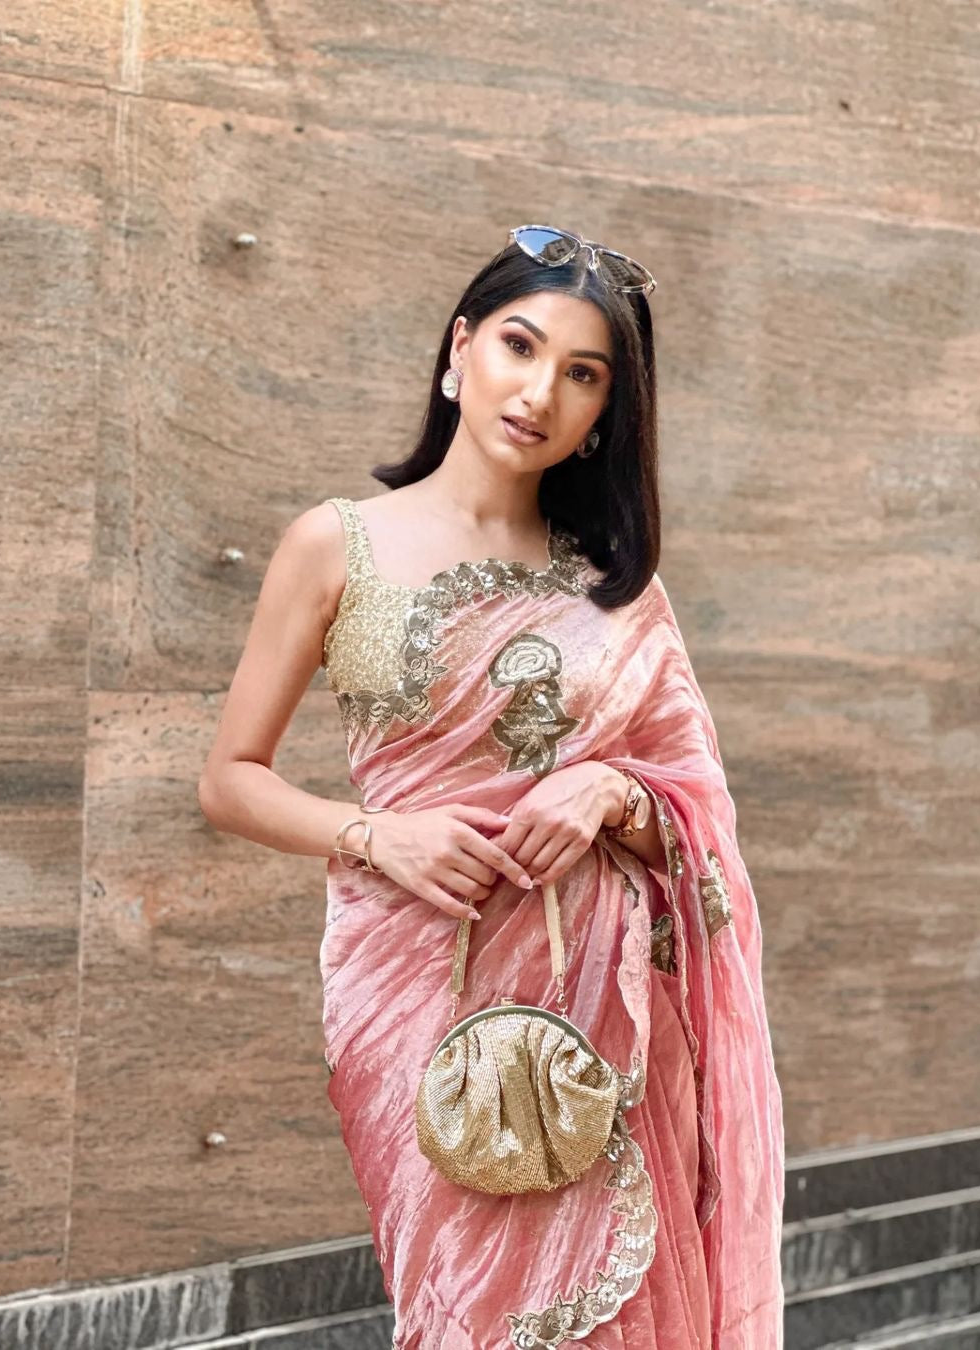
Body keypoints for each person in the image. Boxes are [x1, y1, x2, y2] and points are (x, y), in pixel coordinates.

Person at [198, 225, 785, 1348]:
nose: (539, 392)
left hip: (604, 1006)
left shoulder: (616, 590)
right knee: (465, 1306)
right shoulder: (336, 545)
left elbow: (697, 811)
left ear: (606, 412)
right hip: (416, 985)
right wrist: (379, 836)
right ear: (459, 347)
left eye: (582, 373)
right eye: (520, 345)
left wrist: (612, 790)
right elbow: (229, 781)